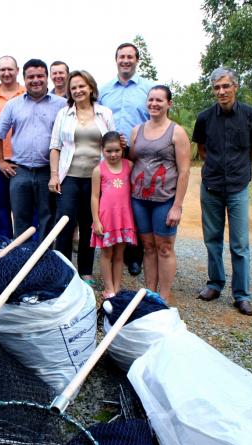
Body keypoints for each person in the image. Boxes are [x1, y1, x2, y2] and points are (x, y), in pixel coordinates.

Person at [192, 67, 252, 316]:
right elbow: (202, 149)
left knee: (240, 244)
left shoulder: (251, 115)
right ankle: (214, 284)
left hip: (237, 187)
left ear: (235, 87)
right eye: (216, 87)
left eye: (225, 86)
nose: (221, 91)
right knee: (212, 240)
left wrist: (242, 169)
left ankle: (242, 295)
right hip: (211, 186)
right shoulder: (204, 118)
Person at [49, 70, 115, 284]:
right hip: (69, 177)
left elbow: (113, 144)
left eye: (81, 86)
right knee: (65, 223)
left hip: (96, 179)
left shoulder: (104, 113)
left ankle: (85, 271)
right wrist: (54, 175)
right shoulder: (64, 114)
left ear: (91, 88)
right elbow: (55, 146)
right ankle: (63, 271)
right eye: (74, 87)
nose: (78, 90)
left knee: (90, 224)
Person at [0, 59, 66, 241]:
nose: (36, 80)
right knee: (21, 218)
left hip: (49, 171)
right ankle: (21, 258)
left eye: (40, 76)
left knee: (47, 218)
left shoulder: (62, 105)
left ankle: (44, 260)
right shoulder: (14, 105)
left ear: (47, 78)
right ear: (24, 79)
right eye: (31, 77)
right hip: (20, 171)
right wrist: (0, 161)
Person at [129, 85, 191, 303]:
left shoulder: (177, 132)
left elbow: (184, 171)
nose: (154, 104)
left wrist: (178, 205)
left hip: (165, 199)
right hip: (139, 199)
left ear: (169, 104)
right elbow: (132, 160)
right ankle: (149, 293)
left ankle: (163, 298)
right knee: (147, 247)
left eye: (159, 100)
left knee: (164, 248)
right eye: (151, 100)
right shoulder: (137, 130)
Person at [99, 42, 154, 277]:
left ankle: (134, 255)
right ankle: (111, 249)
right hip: (110, 153)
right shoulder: (104, 90)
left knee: (136, 201)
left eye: (130, 56)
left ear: (137, 60)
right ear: (116, 59)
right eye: (122, 56)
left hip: (137, 153)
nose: (125, 60)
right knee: (113, 199)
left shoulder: (148, 89)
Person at [90, 131, 137, 299]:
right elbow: (95, 196)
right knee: (106, 254)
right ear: (102, 150)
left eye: (117, 150)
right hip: (106, 218)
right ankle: (108, 287)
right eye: (108, 151)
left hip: (123, 218)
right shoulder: (98, 170)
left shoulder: (129, 166)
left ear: (122, 149)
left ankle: (117, 288)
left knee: (119, 255)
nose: (113, 154)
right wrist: (96, 220)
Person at [0, 56, 26, 239]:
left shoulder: (28, 93)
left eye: (10, 69)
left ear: (17, 70)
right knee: (1, 207)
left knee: (24, 208)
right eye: (2, 70)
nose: (6, 73)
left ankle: (25, 247)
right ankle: (4, 245)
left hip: (23, 161)